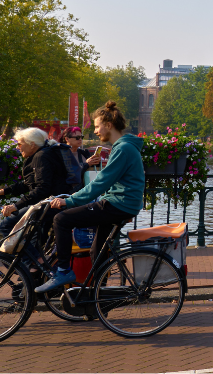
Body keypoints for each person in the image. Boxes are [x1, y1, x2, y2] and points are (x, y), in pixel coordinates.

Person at [35, 101, 145, 293]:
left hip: (118, 204)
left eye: (96, 126)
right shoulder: (124, 147)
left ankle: (63, 271)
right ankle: (98, 298)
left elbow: (101, 182)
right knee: (97, 250)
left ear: (108, 125)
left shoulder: (123, 149)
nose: (94, 131)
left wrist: (69, 201)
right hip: (123, 203)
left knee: (61, 219)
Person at [0, 128, 71, 236]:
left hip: (50, 204)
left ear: (32, 144)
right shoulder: (45, 153)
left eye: (20, 144)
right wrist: (4, 191)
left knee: (5, 225)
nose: (17, 147)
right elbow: (30, 183)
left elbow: (42, 188)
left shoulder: (41, 157)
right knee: (36, 238)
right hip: (54, 202)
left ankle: (27, 254)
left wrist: (15, 206)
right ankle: (33, 252)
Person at [60, 127, 100, 192]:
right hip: (68, 193)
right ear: (67, 139)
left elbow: (91, 171)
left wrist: (96, 161)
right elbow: (71, 175)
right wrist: (86, 164)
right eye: (77, 138)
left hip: (86, 191)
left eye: (82, 137)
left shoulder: (84, 153)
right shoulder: (61, 155)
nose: (80, 139)